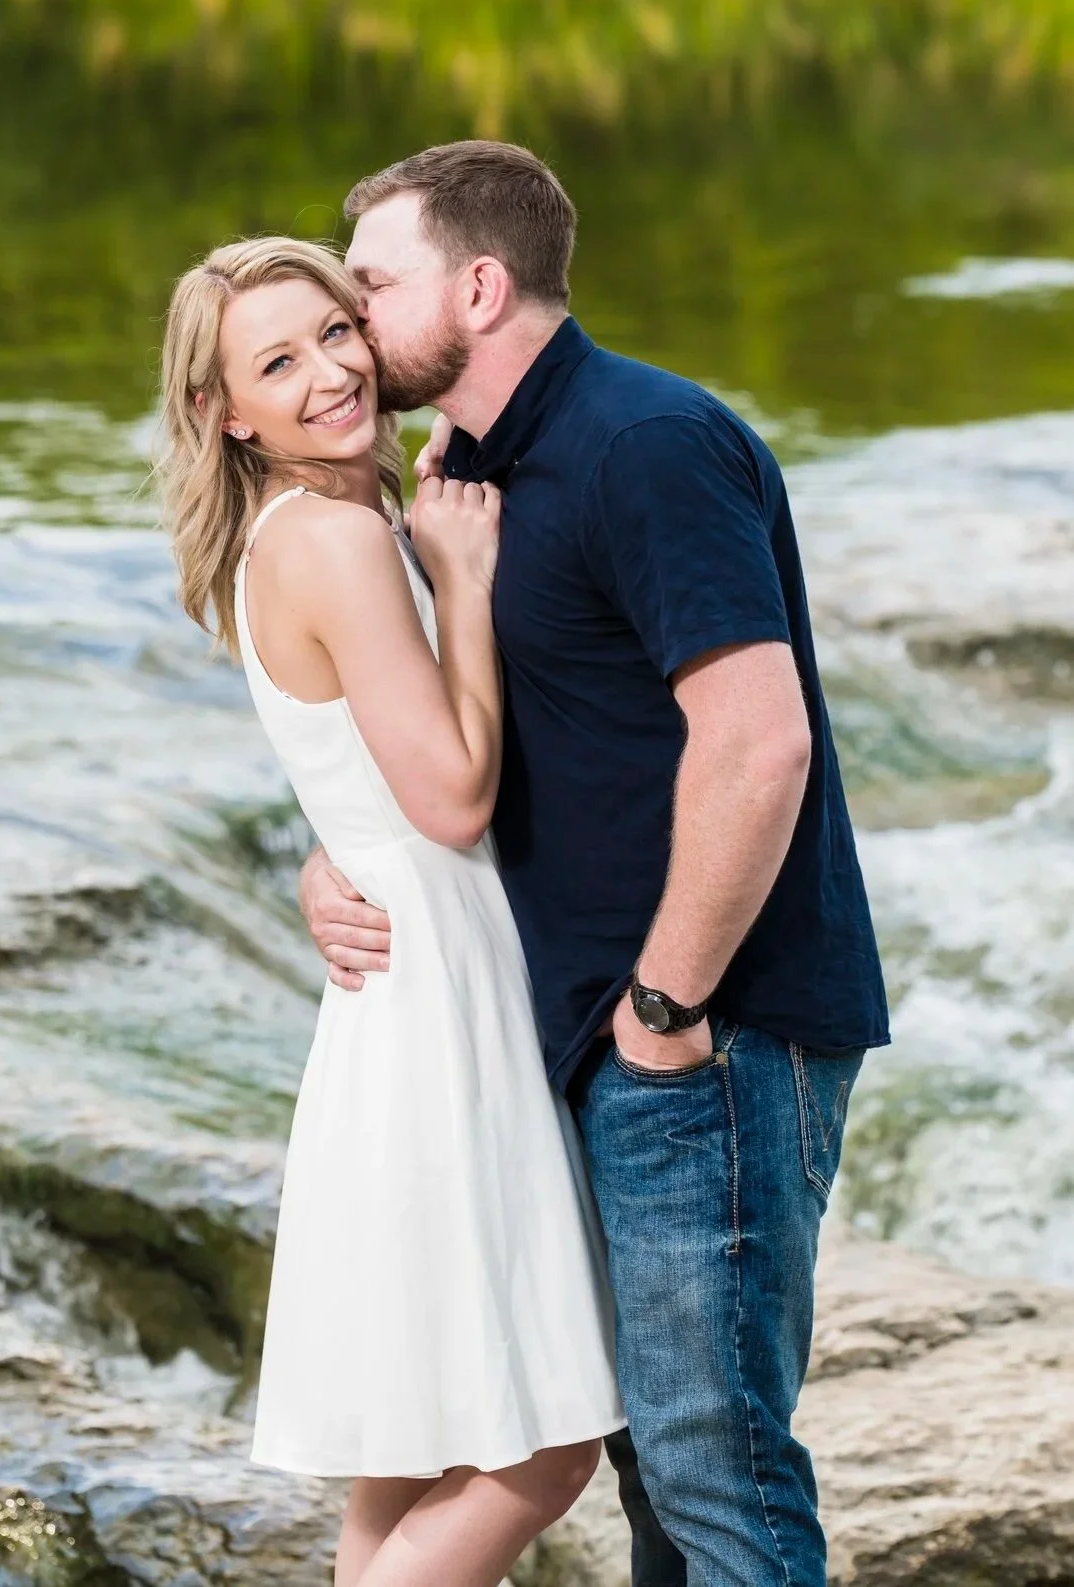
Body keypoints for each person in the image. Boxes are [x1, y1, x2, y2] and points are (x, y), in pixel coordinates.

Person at [301, 141, 891, 1587]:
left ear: (480, 285)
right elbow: (469, 750)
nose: (351, 321)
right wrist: (332, 861)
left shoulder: (646, 443)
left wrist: (666, 1011)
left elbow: (758, 746)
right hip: (581, 1035)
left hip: (709, 1036)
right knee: (655, 1465)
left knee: (714, 1464)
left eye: (370, 285)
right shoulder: (467, 481)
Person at [155, 235, 625, 1587]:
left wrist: (324, 851)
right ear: (222, 413)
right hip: (435, 997)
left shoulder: (291, 535)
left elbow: (358, 778)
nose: (328, 374)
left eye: (336, 332)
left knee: (410, 1452)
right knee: (542, 1448)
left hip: (404, 984)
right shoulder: (343, 538)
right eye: (276, 362)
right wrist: (464, 579)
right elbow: (454, 795)